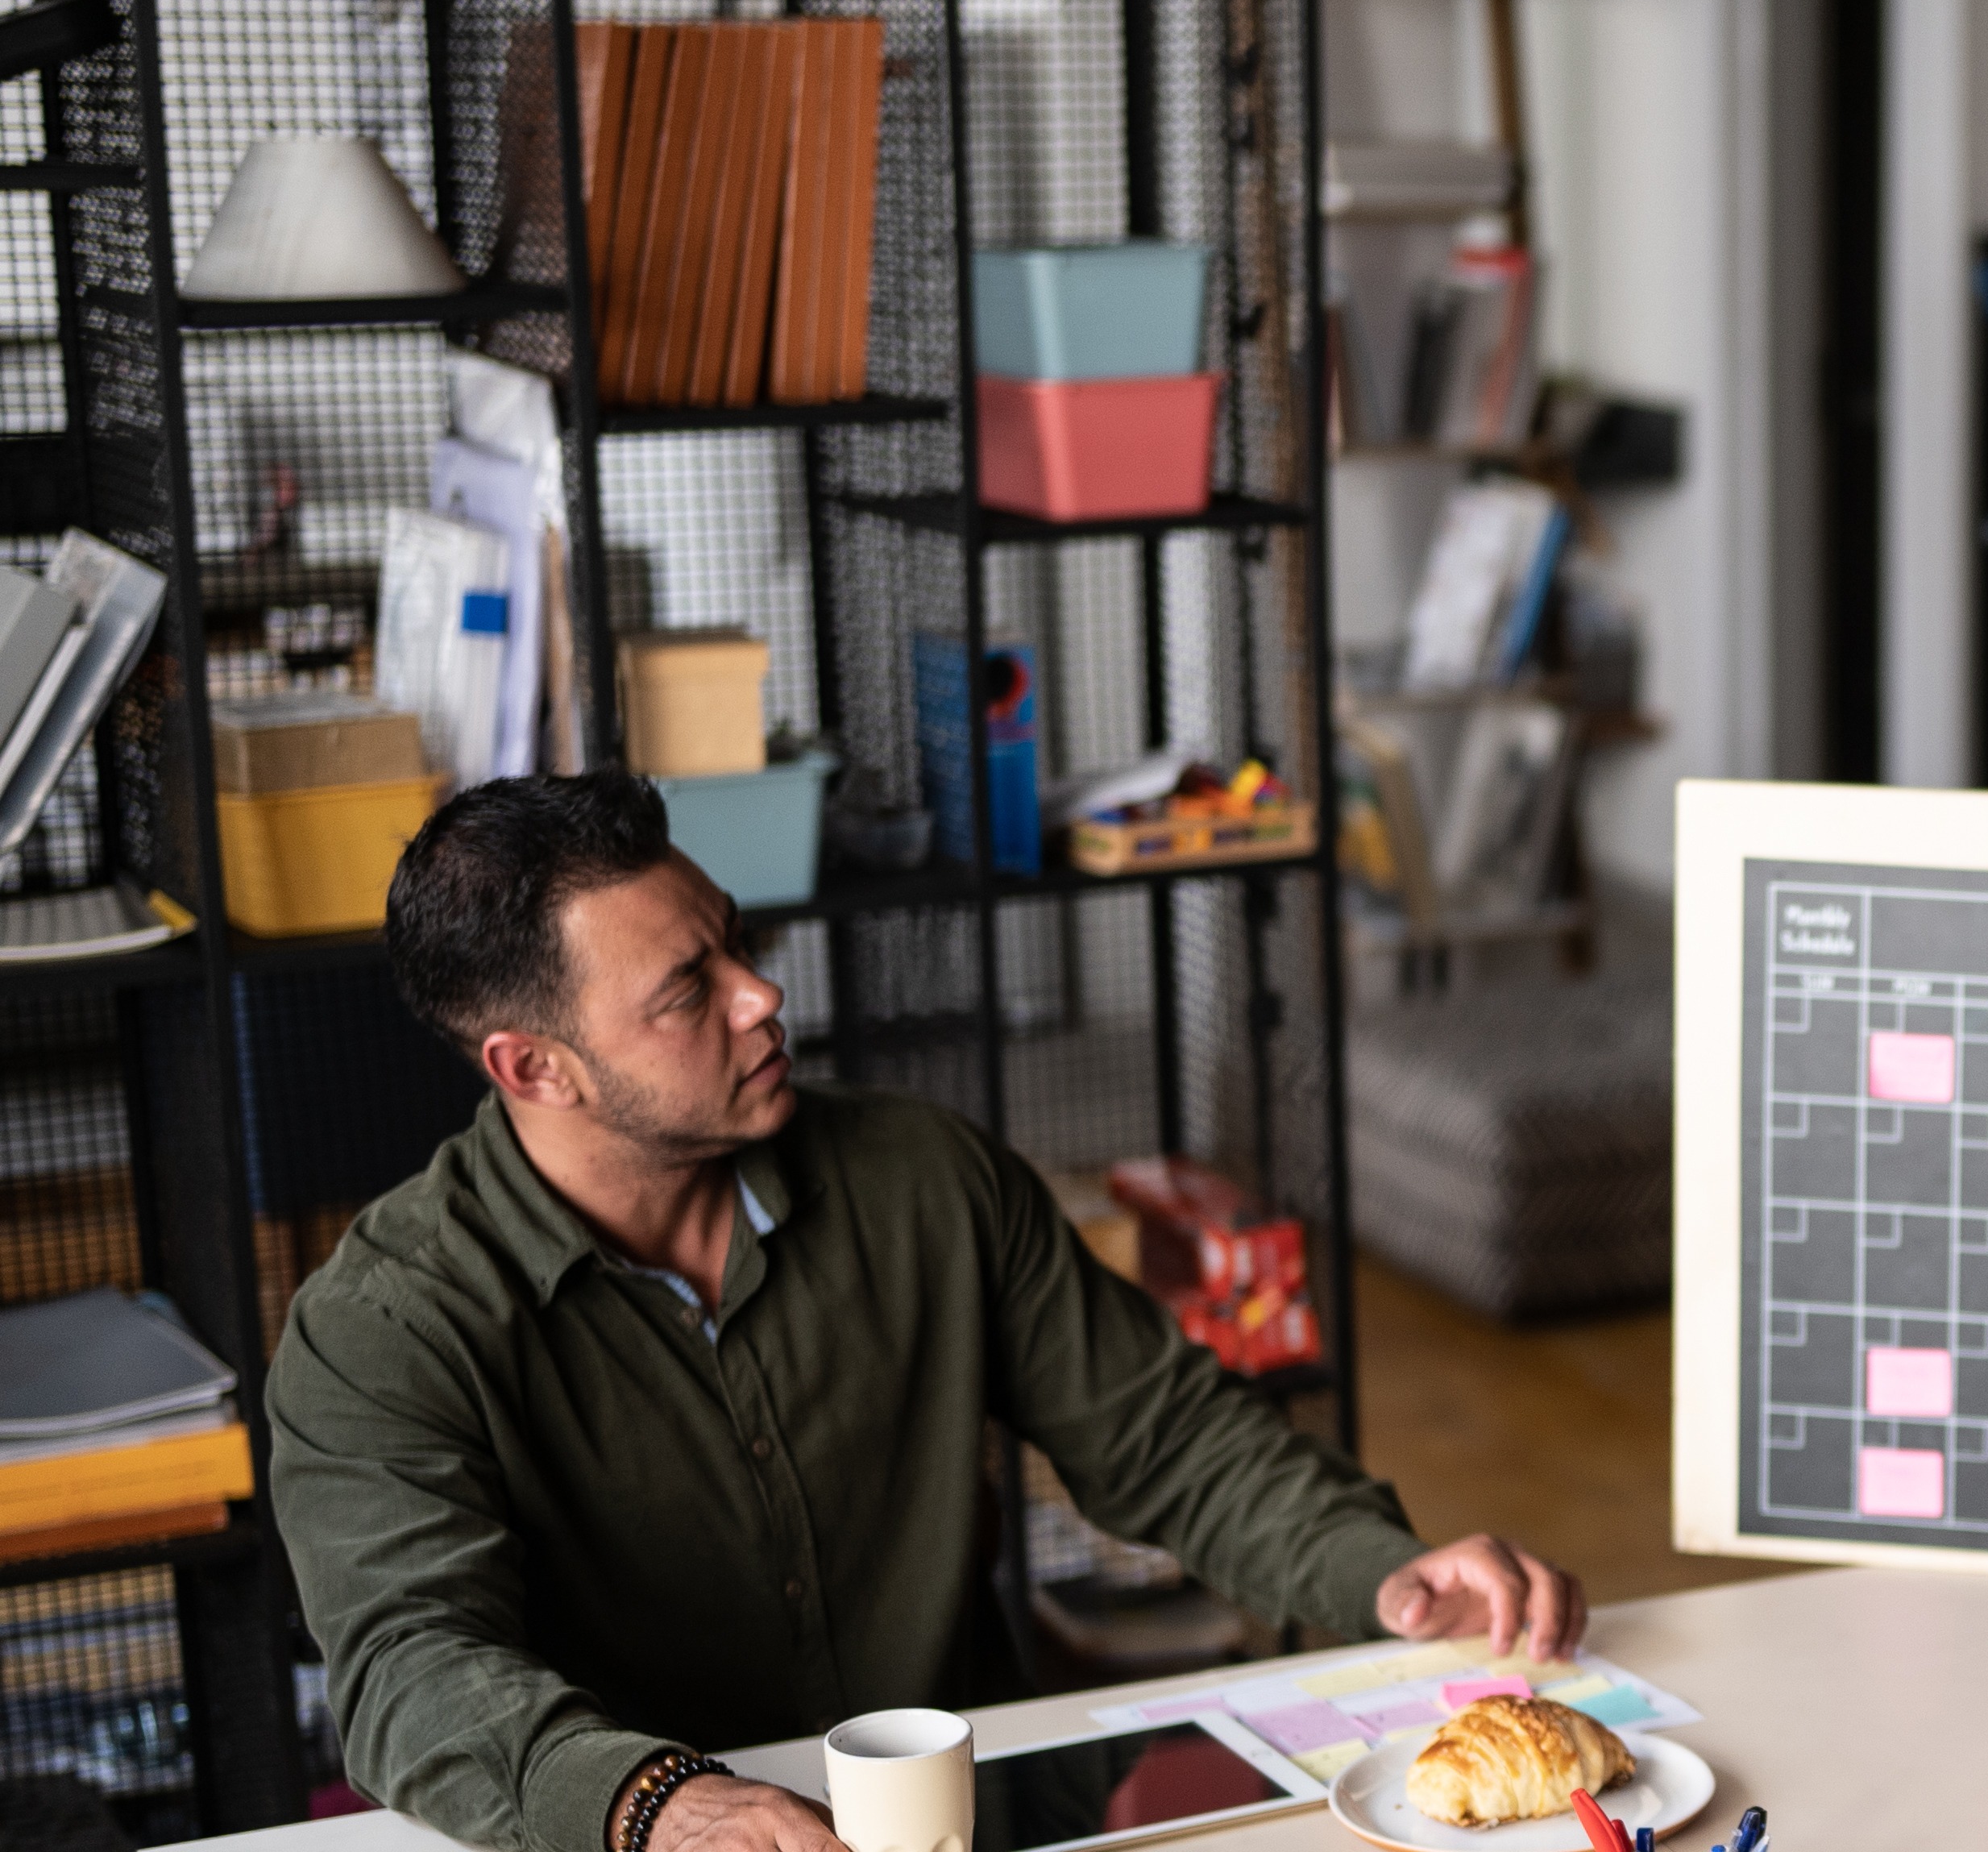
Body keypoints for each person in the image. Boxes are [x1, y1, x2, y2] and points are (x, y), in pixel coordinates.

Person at [269, 776, 1587, 1852]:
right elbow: (410, 1665)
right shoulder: (380, 1328)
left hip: (984, 1814)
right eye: (688, 989)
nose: (759, 994)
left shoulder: (922, 1174)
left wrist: (1379, 1567)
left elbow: (1166, 1437)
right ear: (531, 1067)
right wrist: (648, 1801)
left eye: (735, 940)